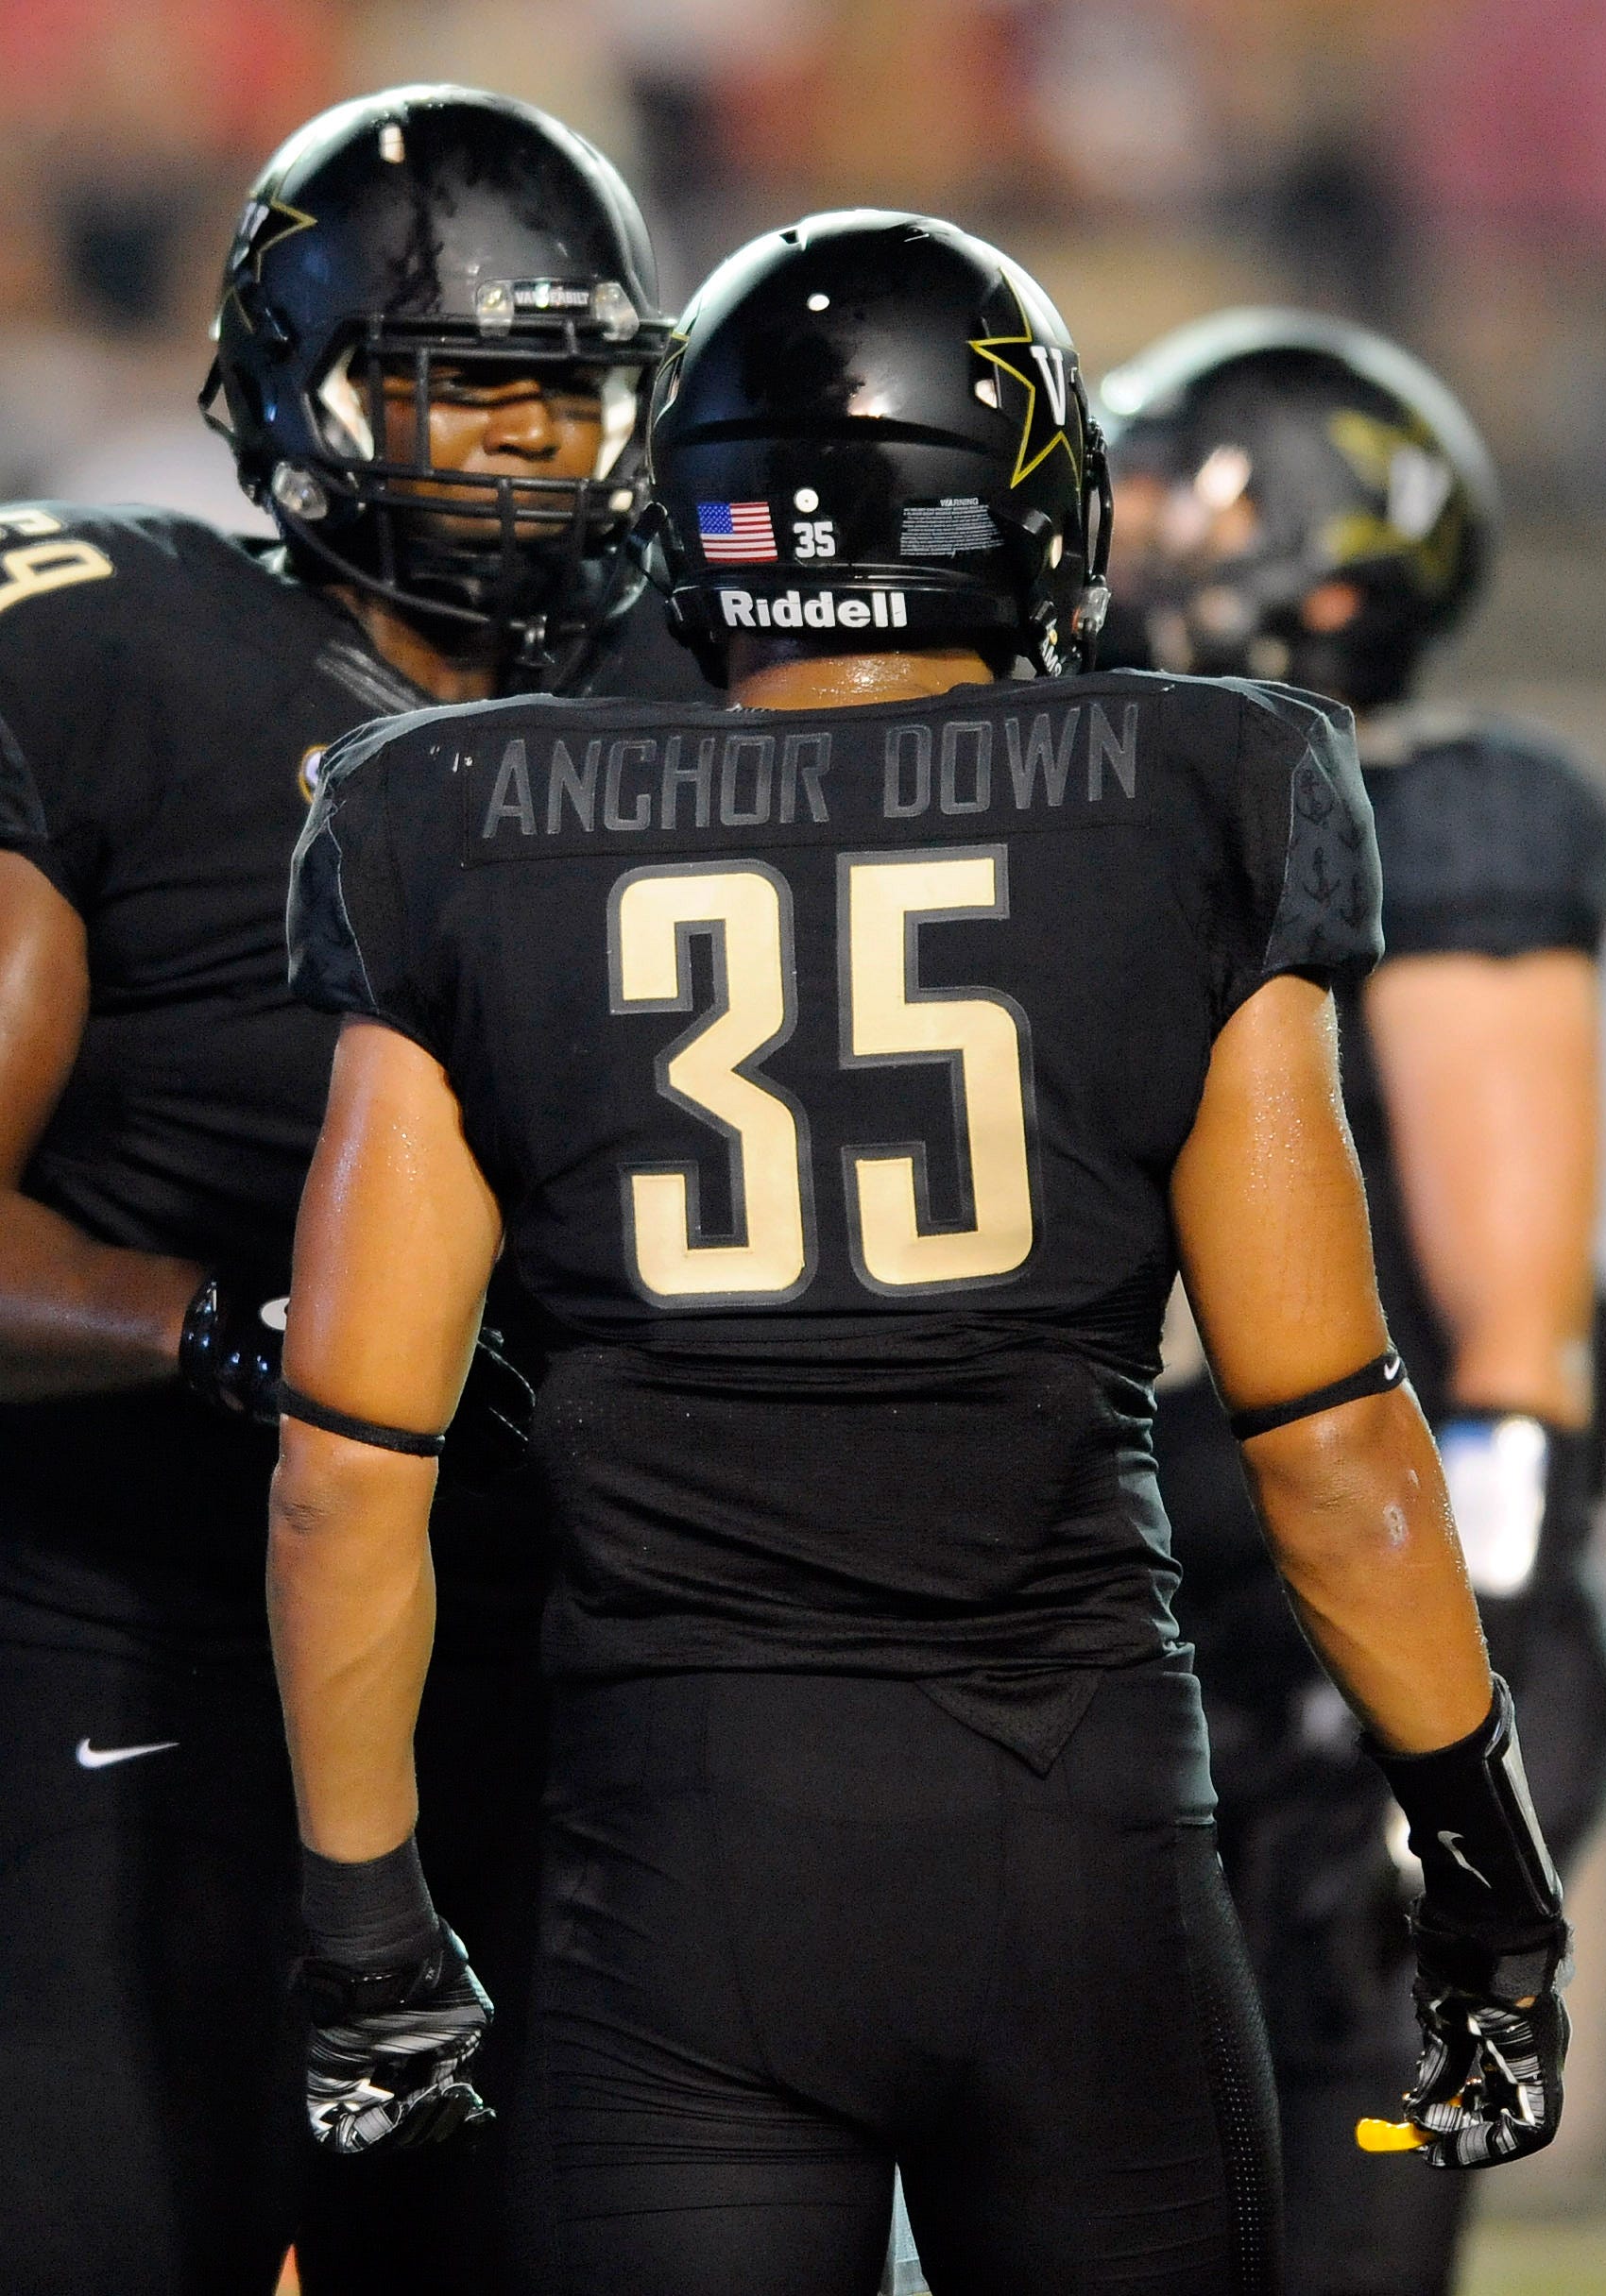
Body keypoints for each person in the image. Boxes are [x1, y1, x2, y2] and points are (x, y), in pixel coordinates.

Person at [271, 212, 1572, 2296]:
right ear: (1030, 509)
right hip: (1076, 1839)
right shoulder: (1196, 786)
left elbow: (348, 1464)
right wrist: (1485, 1862)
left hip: (675, 1861)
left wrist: (362, 1926)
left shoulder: (454, 815)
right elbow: (1324, 1430)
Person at [0, 84, 708, 2296]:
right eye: (463, 389)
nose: (520, 449)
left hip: (563, 1663)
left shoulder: (694, 695)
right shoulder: (121, 659)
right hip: (155, 1640)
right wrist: (247, 1343)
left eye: (562, 395)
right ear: (303, 398)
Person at [1095, 308, 1606, 2296]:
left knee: (1349, 2198)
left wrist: (1450, 1717)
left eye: (1175, 480)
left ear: (1314, 556)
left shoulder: (1445, 813)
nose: (1125, 521)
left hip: (1397, 1629)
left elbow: (1515, 1344)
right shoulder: (1134, 792)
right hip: (1240, 1608)